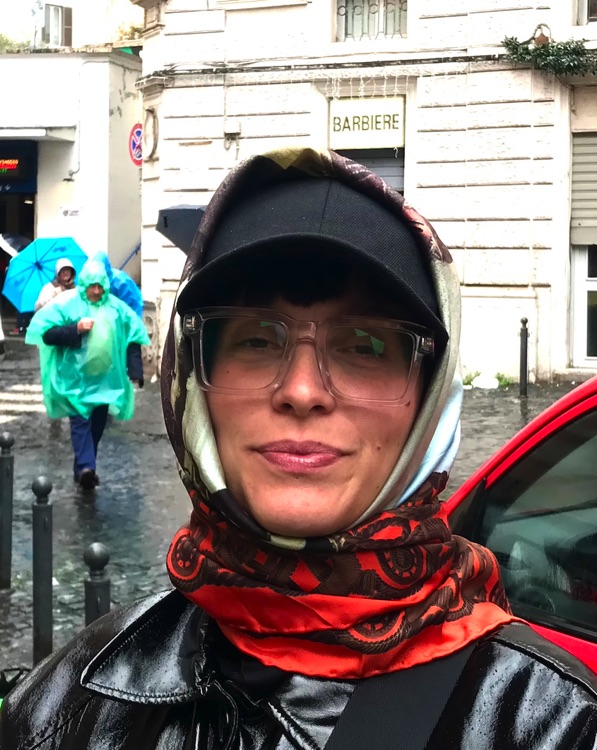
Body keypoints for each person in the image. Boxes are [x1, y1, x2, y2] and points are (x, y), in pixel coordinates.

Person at [1, 147, 596, 748]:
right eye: (256, 340)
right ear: (193, 382)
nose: (302, 391)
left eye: (365, 346)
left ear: (431, 395)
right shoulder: (68, 706)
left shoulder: (556, 724)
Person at [23, 258, 150, 491]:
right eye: (92, 286)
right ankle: (86, 468)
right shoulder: (67, 304)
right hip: (75, 381)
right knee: (80, 423)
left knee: (96, 427)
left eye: (100, 286)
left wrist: (135, 370)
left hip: (104, 382)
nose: (97, 291)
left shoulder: (116, 308)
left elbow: (132, 337)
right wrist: (76, 329)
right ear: (84, 285)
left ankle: (82, 467)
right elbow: (48, 335)